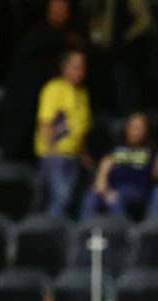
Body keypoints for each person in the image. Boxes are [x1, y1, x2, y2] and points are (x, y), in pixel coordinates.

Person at [36, 50, 93, 217]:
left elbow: (81, 130)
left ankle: (58, 235)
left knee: (69, 200)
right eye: (75, 66)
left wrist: (85, 157)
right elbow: (45, 122)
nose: (80, 71)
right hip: (55, 155)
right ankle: (50, 236)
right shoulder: (54, 88)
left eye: (82, 67)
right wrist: (52, 150)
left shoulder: (82, 94)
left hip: (74, 155)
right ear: (64, 67)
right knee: (62, 197)